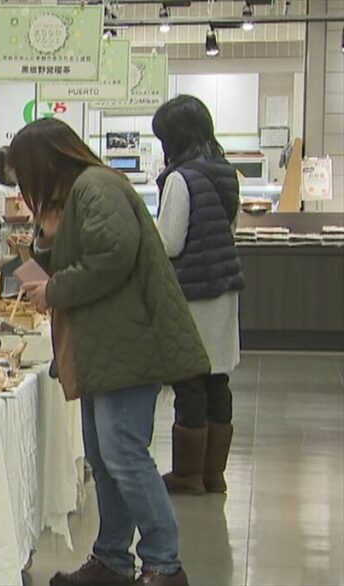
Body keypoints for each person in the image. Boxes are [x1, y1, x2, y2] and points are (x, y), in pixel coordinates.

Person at [10, 118, 209, 586]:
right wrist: (42, 241)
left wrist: (54, 289)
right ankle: (112, 560)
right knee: (104, 458)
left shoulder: (96, 187)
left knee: (123, 454)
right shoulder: (80, 195)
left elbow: (111, 257)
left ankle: (164, 563)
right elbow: (87, 255)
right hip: (105, 347)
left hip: (128, 344)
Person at [152, 95, 244, 496]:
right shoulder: (227, 173)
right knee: (217, 380)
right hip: (224, 288)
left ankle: (187, 474)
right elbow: (230, 228)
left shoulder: (180, 178)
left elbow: (170, 241)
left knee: (189, 380)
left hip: (191, 292)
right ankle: (213, 473)